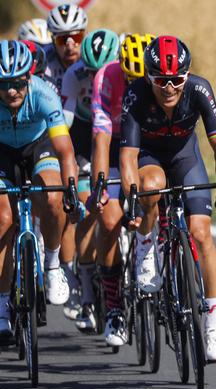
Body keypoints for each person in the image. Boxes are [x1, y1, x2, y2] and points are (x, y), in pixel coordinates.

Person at [119, 36, 216, 361]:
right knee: (152, 186)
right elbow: (127, 156)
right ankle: (145, 245)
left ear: (186, 75)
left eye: (176, 79)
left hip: (186, 157)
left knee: (201, 233)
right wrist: (132, 197)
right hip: (149, 156)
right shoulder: (136, 95)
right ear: (148, 77)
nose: (169, 87)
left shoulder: (199, 90)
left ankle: (213, 321)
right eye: (160, 80)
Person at [0, 40, 81, 342]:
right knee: (3, 219)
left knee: (52, 196)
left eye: (18, 83)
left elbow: (66, 152)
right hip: (3, 153)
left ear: (29, 77)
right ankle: (1, 306)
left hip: (39, 147)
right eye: (3, 84)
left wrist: (71, 187)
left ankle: (53, 263)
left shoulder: (44, 93)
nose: (11, 92)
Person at [79, 33, 155, 339]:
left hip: (147, 148)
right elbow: (100, 137)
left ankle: (162, 256)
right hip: (113, 147)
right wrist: (99, 187)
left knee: (156, 196)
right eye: (130, 77)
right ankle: (113, 308)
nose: (135, 83)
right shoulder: (106, 77)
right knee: (109, 219)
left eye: (142, 78)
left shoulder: (161, 82)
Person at [60, 29, 119, 323]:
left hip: (118, 131)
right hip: (84, 135)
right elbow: (65, 126)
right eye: (91, 72)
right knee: (87, 209)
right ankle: (85, 293)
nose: (97, 79)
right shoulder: (73, 74)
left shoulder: (124, 74)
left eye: (102, 72)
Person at [45, 3, 89, 314]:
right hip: (53, 132)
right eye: (62, 39)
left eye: (75, 36)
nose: (70, 44)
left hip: (85, 129)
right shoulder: (43, 64)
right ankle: (68, 268)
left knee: (83, 200)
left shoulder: (94, 57)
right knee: (64, 200)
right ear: (52, 40)